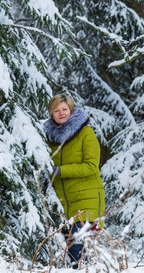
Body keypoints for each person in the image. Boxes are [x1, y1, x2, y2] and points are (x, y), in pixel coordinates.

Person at [44, 94, 105, 269]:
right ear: (51, 114)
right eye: (56, 110)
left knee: (80, 253)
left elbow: (91, 166)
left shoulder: (85, 133)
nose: (61, 113)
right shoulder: (50, 139)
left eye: (64, 109)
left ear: (71, 110)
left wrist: (59, 172)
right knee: (72, 255)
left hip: (88, 199)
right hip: (63, 205)